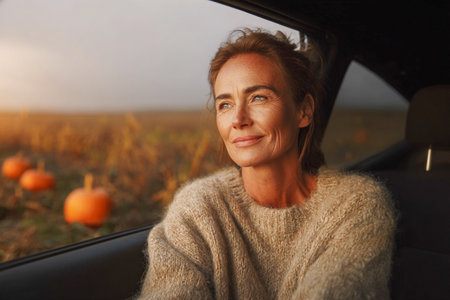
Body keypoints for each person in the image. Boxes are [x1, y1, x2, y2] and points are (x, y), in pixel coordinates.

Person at [138, 28, 396, 299]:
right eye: (225, 104)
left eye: (258, 97)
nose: (238, 119)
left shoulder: (357, 206)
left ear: (303, 111)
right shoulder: (198, 207)